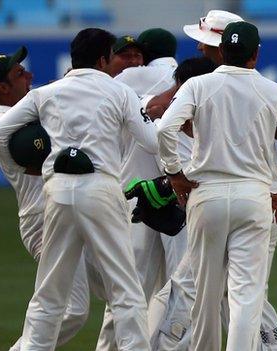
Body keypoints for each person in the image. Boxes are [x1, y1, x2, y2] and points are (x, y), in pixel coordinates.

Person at [0, 28, 157, 351]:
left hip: (59, 191)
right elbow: (151, 142)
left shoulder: (47, 92)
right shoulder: (119, 92)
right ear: (103, 58)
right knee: (125, 289)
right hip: (101, 188)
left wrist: (24, 165)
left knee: (50, 292)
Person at [158, 21, 277, 351]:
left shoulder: (198, 86)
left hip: (207, 194)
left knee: (205, 294)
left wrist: (175, 173)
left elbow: (165, 130)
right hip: (255, 196)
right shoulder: (273, 90)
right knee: (246, 295)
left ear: (222, 50)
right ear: (256, 53)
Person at [0, 47, 94, 351]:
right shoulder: (5, 125)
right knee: (71, 309)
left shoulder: (21, 114)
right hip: (44, 220)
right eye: (19, 74)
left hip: (64, 213)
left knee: (118, 290)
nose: (29, 75)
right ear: (2, 88)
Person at [95, 27, 181, 351]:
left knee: (130, 291)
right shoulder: (187, 78)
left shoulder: (121, 82)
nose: (132, 62)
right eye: (125, 55)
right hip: (164, 194)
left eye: (137, 56)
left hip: (138, 196)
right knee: (170, 288)